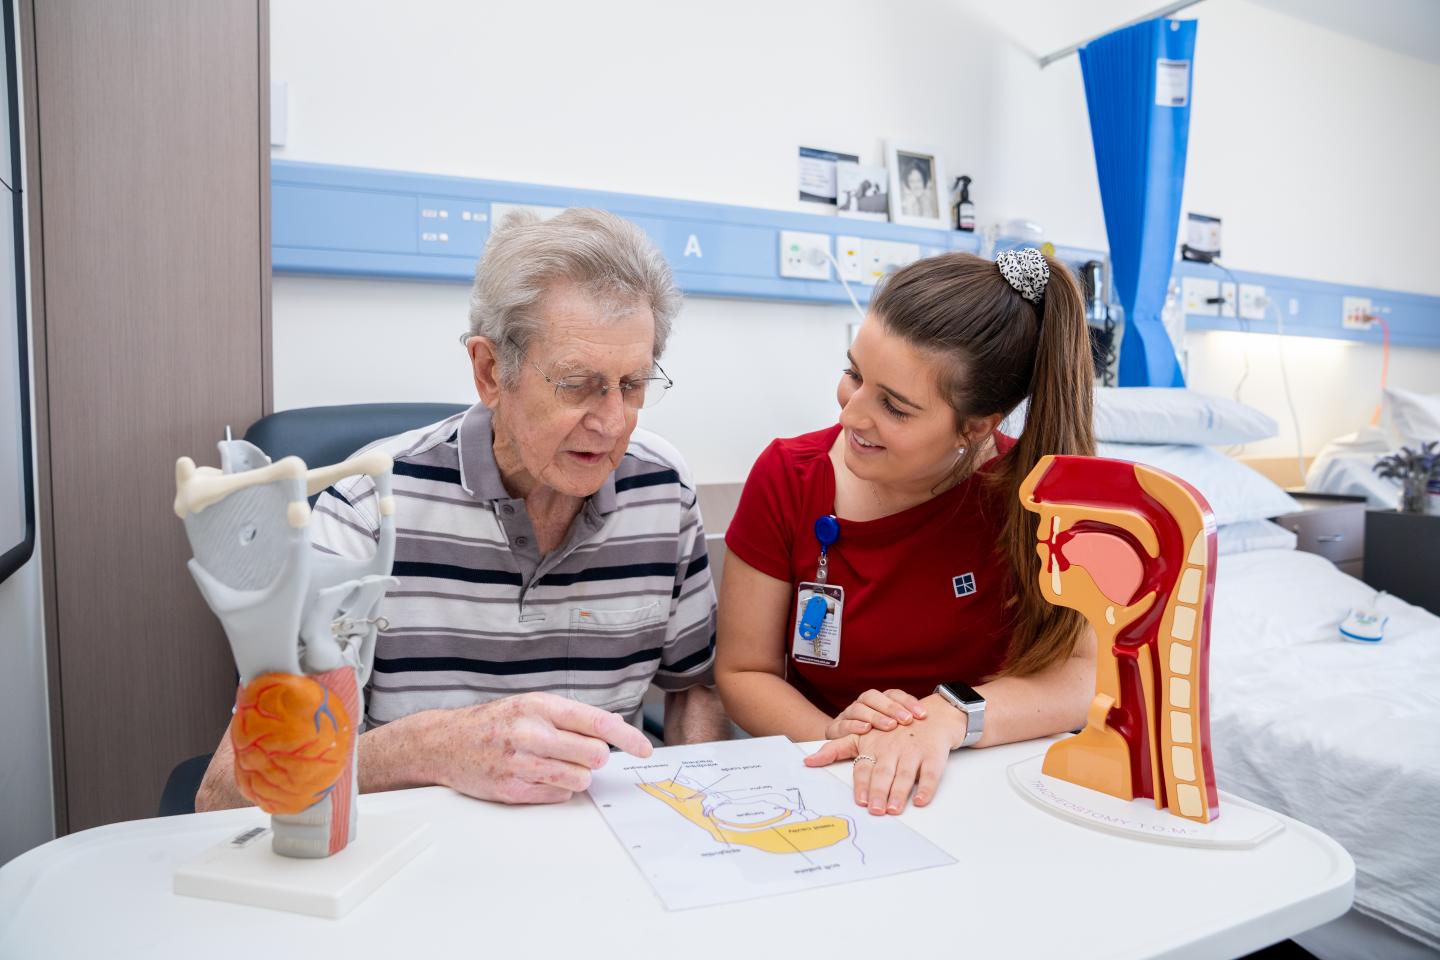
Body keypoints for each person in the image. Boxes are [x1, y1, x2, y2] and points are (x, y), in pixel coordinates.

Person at [197, 209, 730, 812]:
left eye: (631, 385)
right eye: (578, 384)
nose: (612, 423)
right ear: (489, 372)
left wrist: (695, 814)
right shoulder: (368, 512)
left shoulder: (662, 490)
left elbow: (692, 692)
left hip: (598, 851)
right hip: (414, 857)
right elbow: (225, 792)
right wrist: (433, 749)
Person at [715, 248, 1097, 817]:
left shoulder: (1038, 502)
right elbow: (745, 672)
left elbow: (1077, 675)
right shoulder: (787, 477)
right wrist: (838, 738)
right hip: (834, 777)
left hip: (984, 782)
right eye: (854, 374)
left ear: (976, 427)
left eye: (894, 407)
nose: (851, 414)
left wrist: (948, 719)